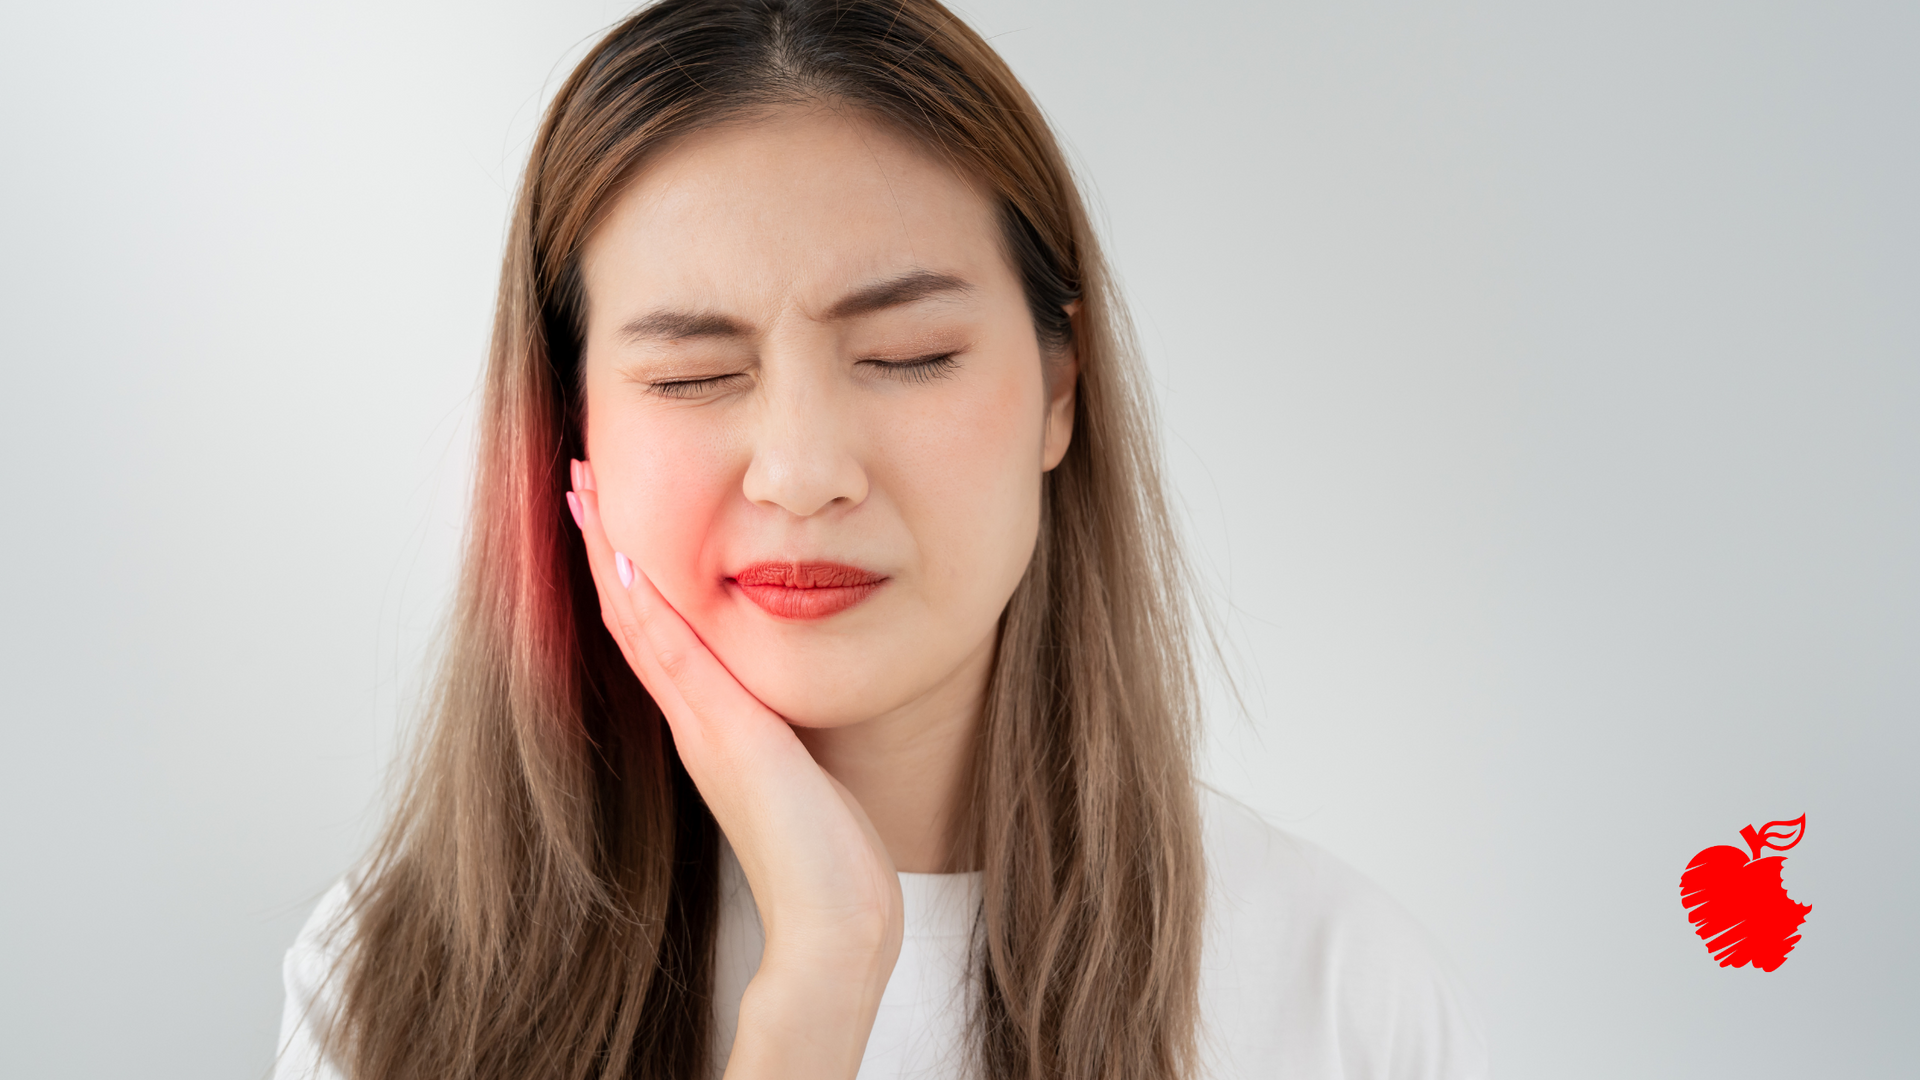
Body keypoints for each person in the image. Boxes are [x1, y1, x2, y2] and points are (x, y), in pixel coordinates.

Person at [273, 1, 1487, 1077]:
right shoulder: (391, 985)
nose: (803, 473)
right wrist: (821, 976)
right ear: (570, 426)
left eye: (909, 358)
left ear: (1062, 389)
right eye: (696, 374)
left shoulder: (1339, 992)